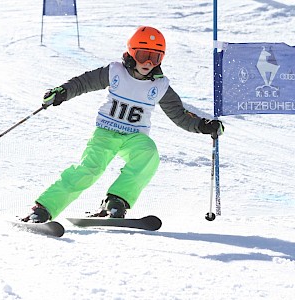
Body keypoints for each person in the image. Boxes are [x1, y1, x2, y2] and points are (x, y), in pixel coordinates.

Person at [21, 26, 224, 223]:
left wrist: (203, 125)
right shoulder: (115, 72)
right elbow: (83, 83)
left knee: (148, 153)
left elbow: (179, 115)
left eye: (155, 57)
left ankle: (116, 200)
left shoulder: (160, 85)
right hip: (106, 133)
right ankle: (44, 208)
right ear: (132, 52)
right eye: (144, 55)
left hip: (134, 137)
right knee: (90, 169)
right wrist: (63, 92)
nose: (148, 62)